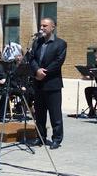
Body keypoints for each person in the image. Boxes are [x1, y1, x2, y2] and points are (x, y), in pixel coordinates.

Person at [29, 17, 67, 150]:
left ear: (53, 27)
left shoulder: (60, 43)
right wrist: (36, 70)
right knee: (39, 113)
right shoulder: (36, 42)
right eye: (41, 25)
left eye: (45, 26)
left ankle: (56, 139)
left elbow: (58, 62)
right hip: (38, 84)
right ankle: (40, 137)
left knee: (55, 113)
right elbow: (31, 58)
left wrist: (43, 73)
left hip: (52, 83)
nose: (42, 28)